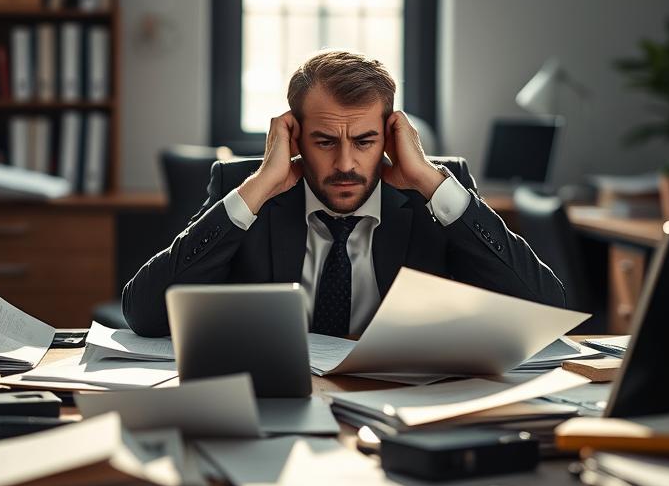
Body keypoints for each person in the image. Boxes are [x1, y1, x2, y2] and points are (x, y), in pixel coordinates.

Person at [122, 50, 566, 337]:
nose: (346, 164)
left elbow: (547, 310)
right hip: (279, 406)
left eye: (365, 141)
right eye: (325, 141)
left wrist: (431, 183)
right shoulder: (243, 187)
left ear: (390, 137)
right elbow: (145, 314)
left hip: (399, 406)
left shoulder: (436, 192)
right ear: (295, 137)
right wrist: (257, 189)